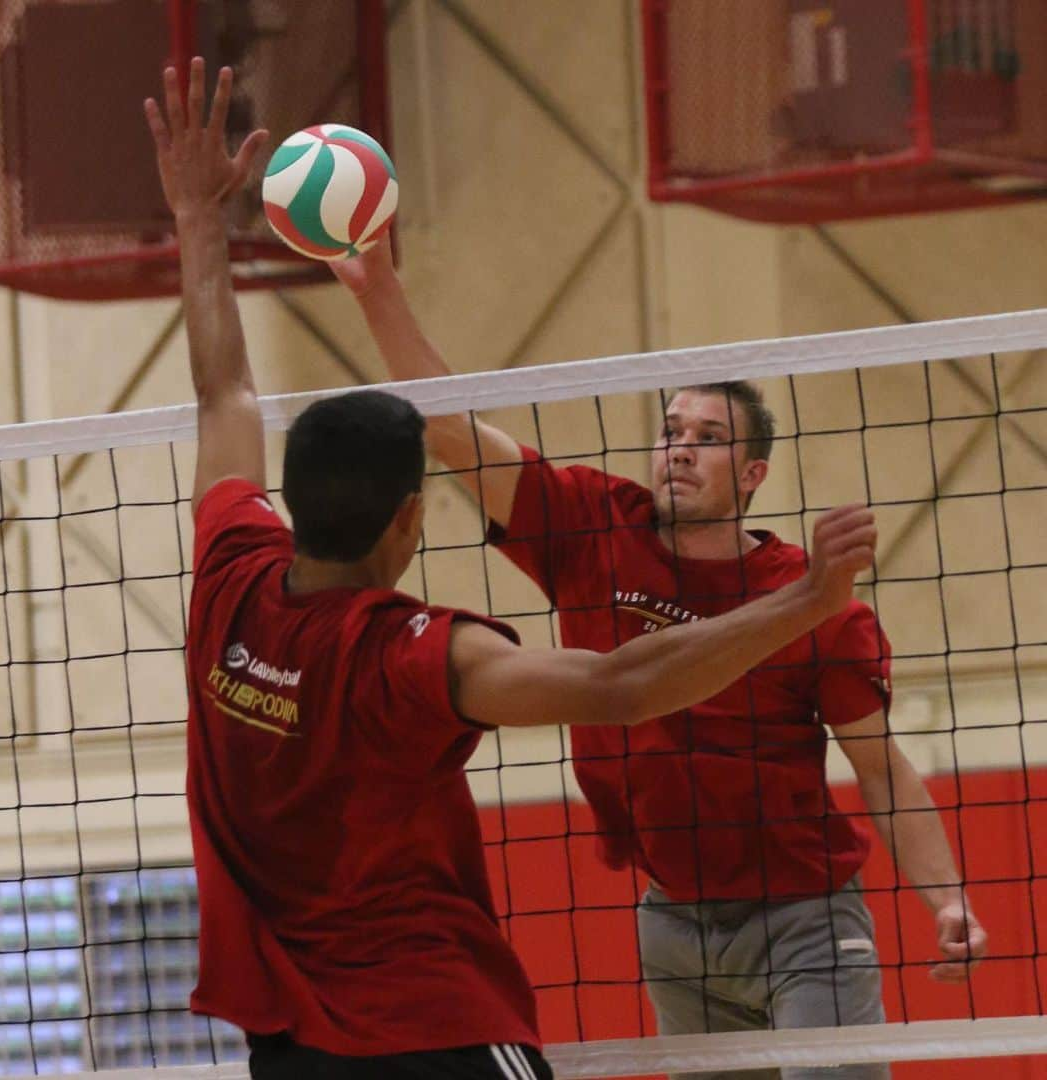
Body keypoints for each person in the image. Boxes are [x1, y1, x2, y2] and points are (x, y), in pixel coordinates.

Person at [145, 60, 881, 1080]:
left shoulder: (228, 571)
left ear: (286, 500)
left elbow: (222, 384)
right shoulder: (414, 657)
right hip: (433, 1023)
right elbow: (622, 685)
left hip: (289, 1043)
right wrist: (809, 601)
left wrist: (194, 217)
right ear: (409, 523)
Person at [329, 240, 989, 1080]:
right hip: (674, 921)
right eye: (671, 431)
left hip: (804, 920)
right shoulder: (592, 529)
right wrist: (378, 288)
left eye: (706, 439)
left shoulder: (815, 599)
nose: (678, 448)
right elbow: (453, 429)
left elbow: (882, 770)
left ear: (751, 474)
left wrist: (947, 899)